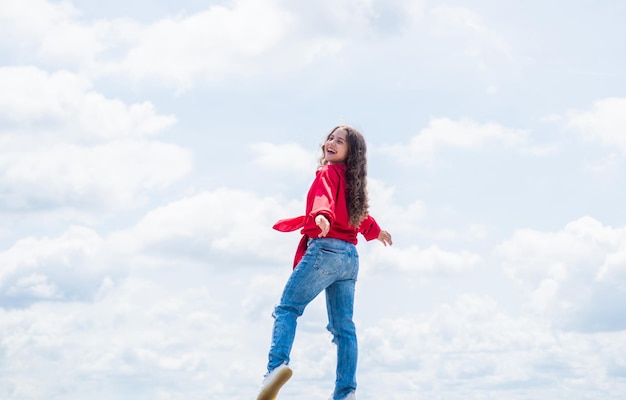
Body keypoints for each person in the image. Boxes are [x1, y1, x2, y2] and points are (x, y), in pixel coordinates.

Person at [256, 125, 393, 400]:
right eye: (330, 138)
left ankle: (275, 369)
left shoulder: (328, 173)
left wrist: (322, 216)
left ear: (350, 152)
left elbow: (324, 197)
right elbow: (361, 218)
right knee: (344, 328)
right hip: (350, 259)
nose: (330, 142)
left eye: (339, 141)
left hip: (326, 250)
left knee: (287, 308)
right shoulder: (353, 184)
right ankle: (346, 393)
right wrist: (376, 232)